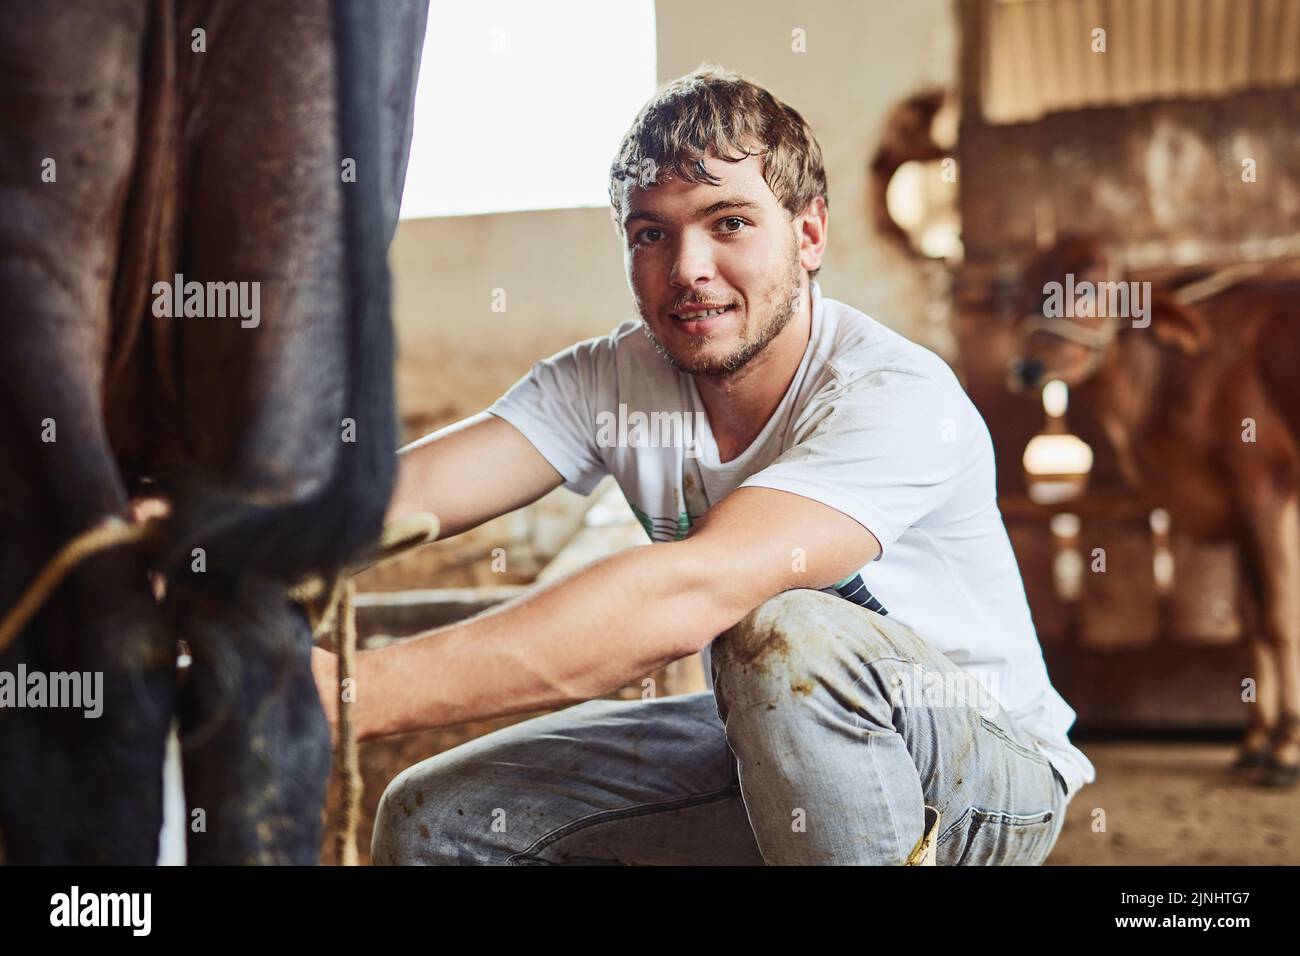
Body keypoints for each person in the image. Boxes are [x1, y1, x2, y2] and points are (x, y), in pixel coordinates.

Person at [313, 65, 1096, 865]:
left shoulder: (895, 395)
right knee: (432, 816)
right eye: (652, 233)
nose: (687, 268)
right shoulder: (609, 381)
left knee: (785, 630)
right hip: (769, 736)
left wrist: (352, 695)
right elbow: (397, 497)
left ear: (809, 233)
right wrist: (226, 540)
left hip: (984, 770)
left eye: (728, 223)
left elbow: (692, 592)